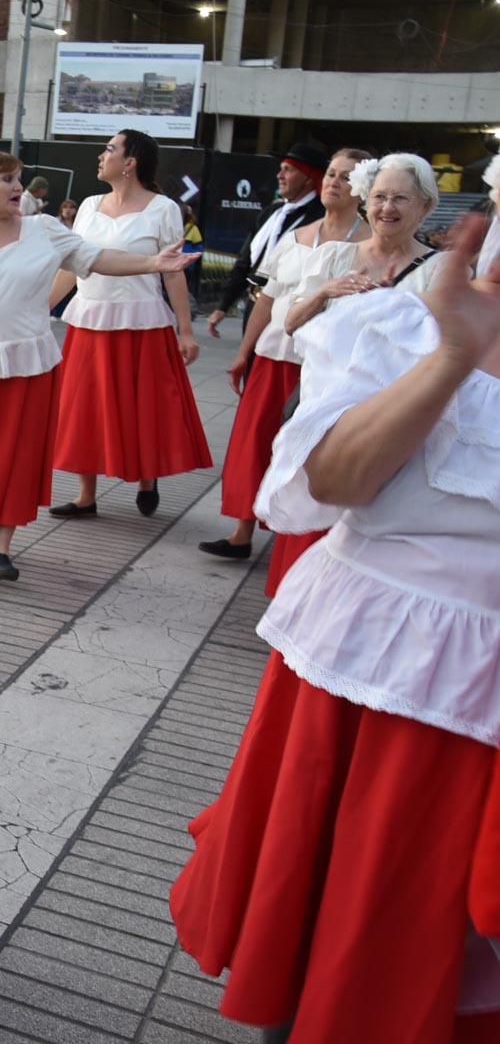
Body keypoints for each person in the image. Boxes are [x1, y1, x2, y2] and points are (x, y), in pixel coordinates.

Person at [170, 213, 500, 1044]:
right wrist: (451, 360)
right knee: (335, 917)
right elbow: (335, 480)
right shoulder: (402, 324)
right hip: (375, 679)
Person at [0, 152, 199, 581]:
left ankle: (1, 545)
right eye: (7, 179)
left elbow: (96, 258)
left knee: (14, 453)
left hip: (28, 365)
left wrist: (153, 263)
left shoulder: (43, 230)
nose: (17, 188)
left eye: (19, 179)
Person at [257, 153, 449, 596]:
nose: (387, 208)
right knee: (318, 514)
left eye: (401, 198)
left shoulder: (440, 269)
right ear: (365, 200)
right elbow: (291, 323)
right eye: (379, 197)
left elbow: (440, 348)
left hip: (390, 422)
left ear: (425, 206)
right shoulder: (334, 256)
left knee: (368, 526)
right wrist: (324, 292)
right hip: (325, 417)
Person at [199, 149, 372, 562]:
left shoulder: (369, 245)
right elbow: (266, 299)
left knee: (305, 452)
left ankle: (298, 540)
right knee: (254, 444)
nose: (334, 182)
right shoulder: (296, 236)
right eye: (331, 174)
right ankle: (241, 531)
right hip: (272, 356)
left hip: (323, 368)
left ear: (364, 188)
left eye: (346, 177)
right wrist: (244, 352)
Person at [46, 129, 213, 519]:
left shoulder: (163, 208)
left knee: (143, 407)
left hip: (143, 323)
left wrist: (186, 331)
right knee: (83, 407)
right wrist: (40, 308)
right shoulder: (89, 205)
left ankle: (146, 479)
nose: (101, 156)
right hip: (89, 319)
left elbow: (173, 271)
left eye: (109, 149)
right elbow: (73, 265)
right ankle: (85, 495)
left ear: (130, 162)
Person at [207, 143, 329, 338]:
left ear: (308, 178)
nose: (280, 176)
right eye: (281, 169)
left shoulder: (321, 217)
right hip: (256, 304)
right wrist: (223, 306)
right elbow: (245, 262)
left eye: (288, 170)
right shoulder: (271, 214)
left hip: (290, 309)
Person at [179, 201, 204, 304]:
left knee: (183, 288)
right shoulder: (171, 227)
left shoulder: (193, 229)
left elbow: (199, 247)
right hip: (170, 264)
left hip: (186, 266)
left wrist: (189, 258)